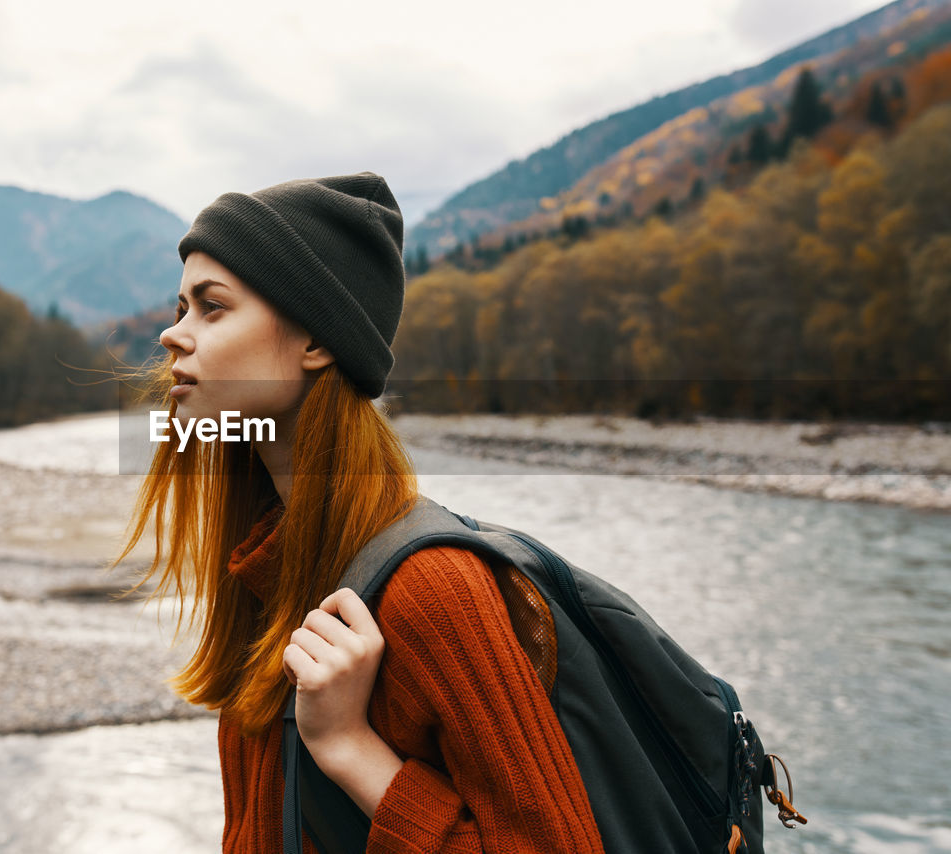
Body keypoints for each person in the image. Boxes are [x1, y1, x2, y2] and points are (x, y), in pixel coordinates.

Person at [113, 172, 604, 853]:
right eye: (180, 309)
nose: (174, 336)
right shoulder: (269, 565)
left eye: (212, 307)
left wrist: (350, 749)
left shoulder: (435, 592)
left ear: (316, 343)